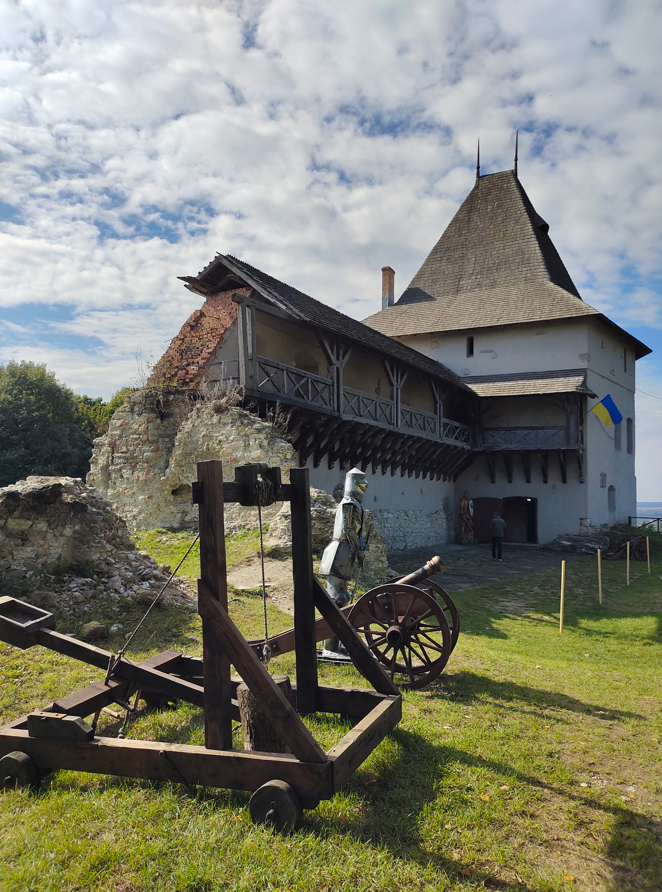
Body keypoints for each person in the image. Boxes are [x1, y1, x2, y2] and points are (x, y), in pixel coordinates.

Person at [319, 467, 368, 659]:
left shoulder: (354, 504)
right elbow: (349, 531)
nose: (364, 484)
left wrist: (360, 549)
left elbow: (356, 532)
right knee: (336, 602)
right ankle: (329, 648)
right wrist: (359, 551)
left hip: (345, 554)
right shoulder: (349, 504)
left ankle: (336, 645)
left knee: (343, 600)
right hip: (339, 553)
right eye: (361, 480)